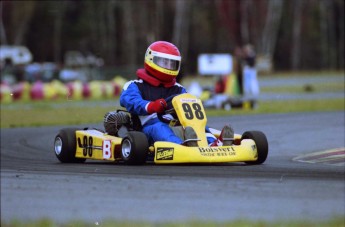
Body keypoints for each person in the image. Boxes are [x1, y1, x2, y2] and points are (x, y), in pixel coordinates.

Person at [118, 41, 233, 147]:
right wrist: (152, 106)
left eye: (172, 63)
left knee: (198, 125)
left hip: (175, 125)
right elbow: (130, 100)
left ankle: (213, 144)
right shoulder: (135, 85)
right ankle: (182, 146)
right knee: (159, 127)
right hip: (145, 131)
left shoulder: (178, 89)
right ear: (151, 60)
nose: (168, 66)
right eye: (164, 62)